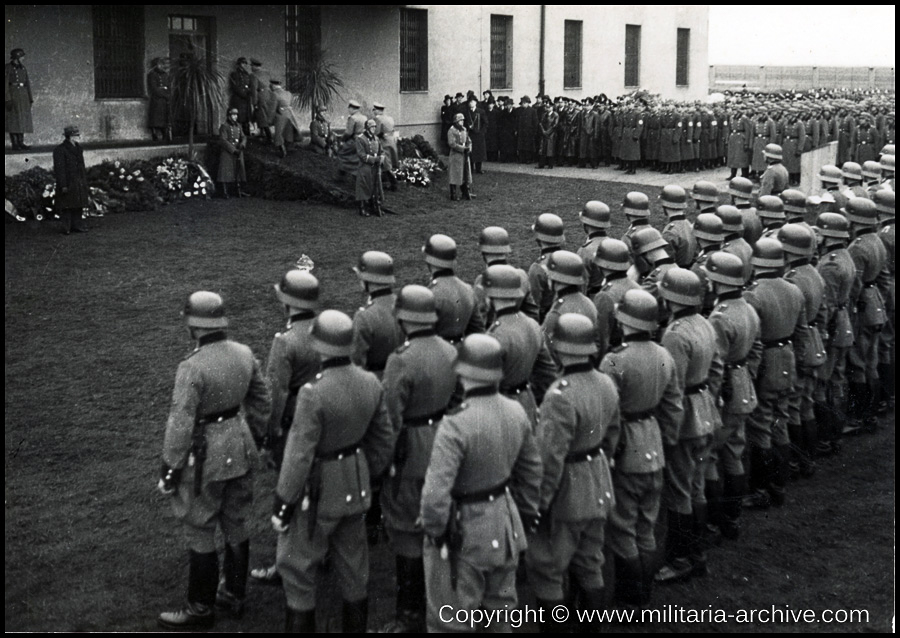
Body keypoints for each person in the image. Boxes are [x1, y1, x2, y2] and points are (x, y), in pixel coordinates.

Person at [272, 310, 393, 633]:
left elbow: (298, 455)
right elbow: (383, 441)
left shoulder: (313, 392)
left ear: (319, 347)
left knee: (297, 569)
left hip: (318, 490)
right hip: (356, 482)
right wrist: (368, 474)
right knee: (355, 569)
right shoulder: (370, 381)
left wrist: (284, 503)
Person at [157, 291, 271, 630]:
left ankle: (200, 608)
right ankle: (234, 595)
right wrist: (260, 436)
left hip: (207, 454)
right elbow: (262, 401)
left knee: (200, 525)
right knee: (236, 521)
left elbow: (180, 422)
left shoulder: (191, 366)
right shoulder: (244, 353)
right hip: (241, 444)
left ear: (193, 326)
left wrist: (170, 468)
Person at [421, 334, 542, 633]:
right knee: (500, 617)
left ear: (462, 373)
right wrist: (524, 515)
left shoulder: (455, 424)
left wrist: (436, 533)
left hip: (465, 530)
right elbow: (531, 472)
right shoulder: (516, 411)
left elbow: (435, 496)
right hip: (504, 522)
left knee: (452, 622)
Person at [527, 313, 619, 630]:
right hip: (598, 483)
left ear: (561, 350)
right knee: (590, 563)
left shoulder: (559, 396)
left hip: (568, 493)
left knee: (548, 571)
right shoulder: (606, 382)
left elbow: (549, 460)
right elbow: (612, 436)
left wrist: (537, 506)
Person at [380, 285, 457, 632]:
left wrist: (382, 461)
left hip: (411, 448)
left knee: (408, 530)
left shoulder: (401, 358)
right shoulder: (450, 349)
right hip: (444, 439)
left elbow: (390, 418)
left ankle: (409, 614)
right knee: (438, 521)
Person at [600, 289, 683, 606]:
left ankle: (630, 599)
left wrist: (608, 453)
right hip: (654, 444)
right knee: (646, 529)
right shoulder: (664, 354)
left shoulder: (615, 360)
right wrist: (667, 440)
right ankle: (643, 595)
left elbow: (608, 415)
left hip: (626, 449)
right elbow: (673, 406)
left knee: (623, 531)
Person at [249, 270, 322, 585]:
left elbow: (276, 393)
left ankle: (289, 563)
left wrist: (269, 433)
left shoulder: (286, 341)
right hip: (324, 420)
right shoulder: (327, 329)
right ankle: (321, 551)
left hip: (293, 423)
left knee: (290, 490)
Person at [654, 268, 723, 584]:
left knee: (680, 492)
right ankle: (698, 552)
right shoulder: (705, 323)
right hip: (706, 408)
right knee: (695, 487)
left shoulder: (675, 334)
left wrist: (667, 433)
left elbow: (673, 387)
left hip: (685, 420)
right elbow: (717, 368)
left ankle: (682, 558)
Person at [742, 238, 808, 510]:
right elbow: (803, 332)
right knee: (780, 421)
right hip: (787, 357)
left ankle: (761, 488)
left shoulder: (753, 295)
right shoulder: (794, 289)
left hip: (766, 363)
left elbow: (752, 342)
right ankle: (779, 484)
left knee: (760, 427)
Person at [704, 251, 762, 541]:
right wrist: (745, 375)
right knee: (733, 452)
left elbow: (715, 367)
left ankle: (717, 521)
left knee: (711, 455)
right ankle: (732, 518)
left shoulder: (720, 317)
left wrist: (712, 400)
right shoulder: (747, 307)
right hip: (742, 385)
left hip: (725, 391)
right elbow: (757, 349)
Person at [482, 264, 557, 429]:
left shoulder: (494, 336)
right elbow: (547, 373)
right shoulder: (532, 325)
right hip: (527, 402)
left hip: (502, 411)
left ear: (490, 296)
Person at [424, 234, 485, 342]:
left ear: (429, 260)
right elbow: (478, 332)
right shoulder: (468, 289)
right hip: (462, 353)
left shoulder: (430, 294)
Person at [529, 213, 566, 322]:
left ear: (538, 238)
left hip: (547, 321)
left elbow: (534, 306)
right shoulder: (571, 260)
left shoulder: (537, 268)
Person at [53, 125, 90, 235]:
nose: (78, 137)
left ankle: (77, 225)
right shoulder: (60, 150)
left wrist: (83, 181)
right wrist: (63, 184)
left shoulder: (78, 148)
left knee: (78, 204)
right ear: (69, 136)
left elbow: (82, 166)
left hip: (78, 181)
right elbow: (60, 169)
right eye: (75, 135)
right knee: (66, 206)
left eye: (78, 135)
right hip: (68, 181)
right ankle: (66, 227)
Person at [355, 119, 385, 217]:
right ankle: (362, 207)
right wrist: (375, 159)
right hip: (365, 166)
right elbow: (362, 155)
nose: (374, 129)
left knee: (375, 187)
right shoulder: (360, 139)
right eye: (372, 127)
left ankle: (375, 205)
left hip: (375, 167)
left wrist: (382, 157)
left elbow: (382, 151)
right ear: (367, 128)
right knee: (364, 185)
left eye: (375, 127)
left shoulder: (376, 139)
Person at [5, 48, 33, 150]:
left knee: (22, 120)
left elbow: (27, 84)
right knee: (13, 120)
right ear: (17, 57)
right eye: (22, 57)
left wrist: (30, 98)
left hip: (23, 96)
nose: (23, 58)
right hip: (13, 96)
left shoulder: (23, 68)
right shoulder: (8, 68)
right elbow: (5, 84)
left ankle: (21, 142)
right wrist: (7, 99)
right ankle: (15, 144)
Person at [217, 108, 248, 198]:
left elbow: (243, 137)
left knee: (239, 171)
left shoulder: (238, 126)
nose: (235, 117)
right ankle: (225, 191)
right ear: (229, 116)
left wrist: (242, 145)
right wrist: (233, 150)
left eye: (236, 115)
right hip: (228, 151)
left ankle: (239, 190)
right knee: (226, 172)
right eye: (233, 115)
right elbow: (223, 140)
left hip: (238, 150)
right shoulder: (224, 126)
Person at [447, 112, 474, 201]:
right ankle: (453, 194)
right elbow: (452, 144)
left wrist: (469, 147)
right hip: (456, 155)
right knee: (455, 174)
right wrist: (463, 148)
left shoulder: (464, 130)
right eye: (460, 121)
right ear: (456, 121)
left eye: (462, 120)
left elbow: (468, 140)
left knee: (465, 174)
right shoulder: (451, 131)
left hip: (465, 155)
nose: (462, 122)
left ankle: (465, 192)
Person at [373, 102, 399, 191]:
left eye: (375, 110)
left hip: (384, 142)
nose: (374, 112)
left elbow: (377, 132)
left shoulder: (378, 119)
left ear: (378, 110)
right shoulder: (389, 118)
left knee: (386, 163)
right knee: (389, 161)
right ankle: (386, 181)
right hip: (391, 140)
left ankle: (393, 183)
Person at [337, 99, 367, 177]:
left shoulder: (352, 118)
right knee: (357, 158)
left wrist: (342, 139)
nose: (348, 110)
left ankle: (342, 174)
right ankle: (356, 174)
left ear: (352, 108)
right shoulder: (364, 117)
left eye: (349, 108)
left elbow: (348, 133)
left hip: (355, 141)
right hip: (363, 141)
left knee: (342, 153)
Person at [147, 57, 172, 142]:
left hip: (164, 101)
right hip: (156, 100)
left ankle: (165, 134)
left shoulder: (165, 75)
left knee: (164, 118)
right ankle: (154, 134)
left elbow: (168, 87)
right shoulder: (152, 75)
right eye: (159, 64)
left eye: (162, 64)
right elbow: (154, 89)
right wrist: (163, 92)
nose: (161, 66)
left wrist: (167, 95)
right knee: (155, 118)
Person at [228, 57, 253, 136]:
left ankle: (246, 135)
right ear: (238, 64)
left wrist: (248, 93)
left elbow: (249, 86)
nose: (244, 65)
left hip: (246, 99)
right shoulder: (235, 74)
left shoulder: (247, 74)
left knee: (246, 118)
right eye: (242, 63)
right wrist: (244, 94)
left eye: (245, 63)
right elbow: (235, 87)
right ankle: (238, 135)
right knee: (238, 117)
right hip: (238, 99)